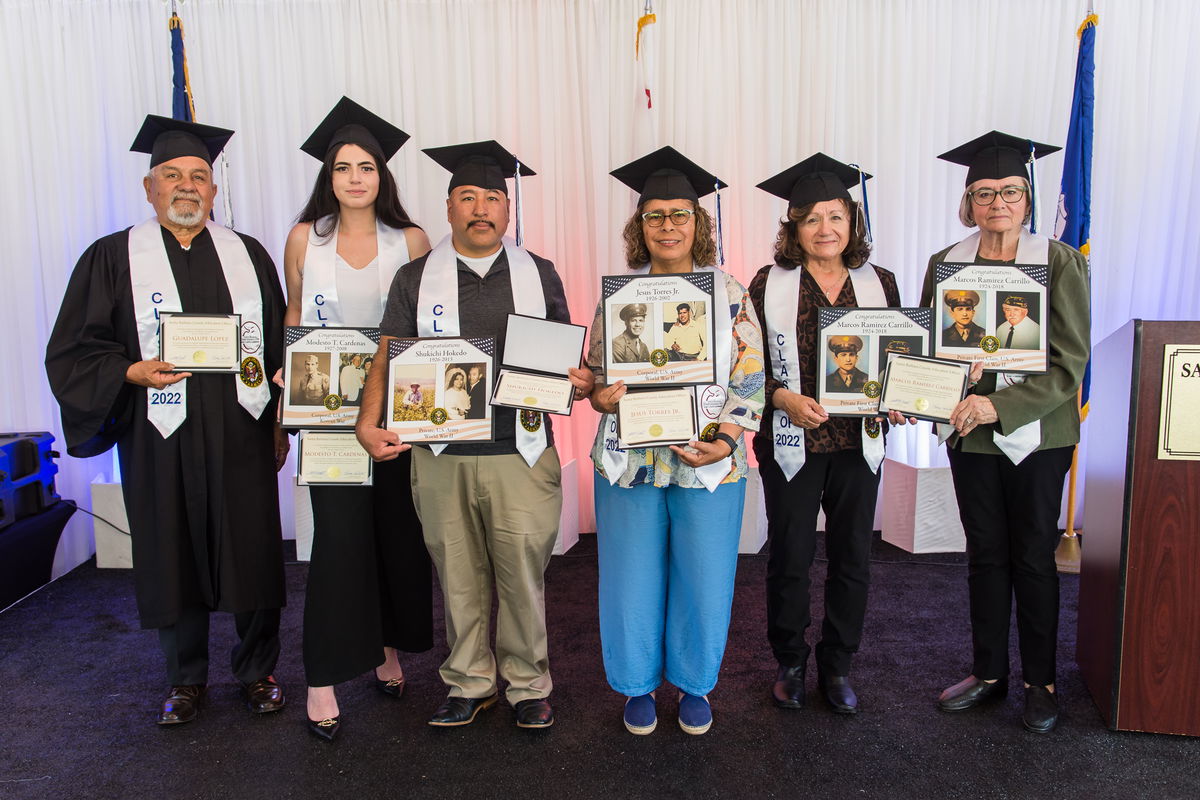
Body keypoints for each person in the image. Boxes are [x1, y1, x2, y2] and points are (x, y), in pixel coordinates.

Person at [45, 115, 289, 725]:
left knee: (252, 548)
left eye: (199, 176)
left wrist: (280, 421)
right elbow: (75, 348)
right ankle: (185, 679)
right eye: (173, 175)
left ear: (214, 189)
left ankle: (257, 670)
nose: (187, 186)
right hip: (159, 432)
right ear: (149, 188)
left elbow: (277, 350)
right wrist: (129, 371)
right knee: (169, 547)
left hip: (240, 429)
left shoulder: (248, 254)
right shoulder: (111, 257)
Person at [356, 140, 594, 729]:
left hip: (522, 450)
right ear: (448, 207)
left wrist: (582, 379)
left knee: (522, 574)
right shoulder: (416, 278)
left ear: (507, 209)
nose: (480, 208)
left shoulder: (539, 273)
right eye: (467, 197)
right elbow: (388, 353)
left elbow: (567, 354)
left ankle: (528, 684)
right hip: (441, 453)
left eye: (492, 197)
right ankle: (469, 681)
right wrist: (367, 420)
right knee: (457, 575)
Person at [590, 147, 764, 736]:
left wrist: (728, 440)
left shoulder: (729, 291)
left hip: (707, 457)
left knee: (704, 576)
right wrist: (599, 396)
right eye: (655, 216)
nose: (668, 226)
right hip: (630, 461)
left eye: (679, 214)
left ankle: (694, 683)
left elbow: (750, 374)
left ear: (698, 222)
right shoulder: (620, 296)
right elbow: (598, 376)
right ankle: (636, 685)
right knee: (629, 577)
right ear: (639, 226)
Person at [922, 131, 1089, 733]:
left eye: (1011, 191)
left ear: (1028, 198)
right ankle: (989, 673)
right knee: (985, 553)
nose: (998, 203)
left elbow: (1070, 362)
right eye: (985, 192)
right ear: (969, 201)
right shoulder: (947, 265)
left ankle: (1041, 682)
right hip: (969, 432)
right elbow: (930, 348)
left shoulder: (1059, 261)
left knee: (1034, 556)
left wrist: (999, 407)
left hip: (1038, 435)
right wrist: (927, 392)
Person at [282, 97, 434, 741]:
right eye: (342, 167)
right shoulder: (304, 238)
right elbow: (294, 316)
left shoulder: (411, 240)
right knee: (338, 543)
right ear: (329, 175)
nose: (354, 177)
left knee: (395, 534)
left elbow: (427, 326)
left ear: (382, 175)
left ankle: (387, 652)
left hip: (397, 413)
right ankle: (321, 678)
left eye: (366, 167)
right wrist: (288, 376)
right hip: (328, 419)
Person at [749, 153, 902, 714]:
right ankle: (790, 661)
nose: (824, 228)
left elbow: (898, 357)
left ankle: (838, 665)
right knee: (790, 555)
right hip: (791, 440)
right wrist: (781, 397)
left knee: (852, 556)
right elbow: (745, 366)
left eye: (835, 216)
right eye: (811, 218)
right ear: (793, 227)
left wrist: (904, 396)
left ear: (851, 222)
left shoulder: (879, 282)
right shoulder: (767, 283)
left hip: (859, 443)